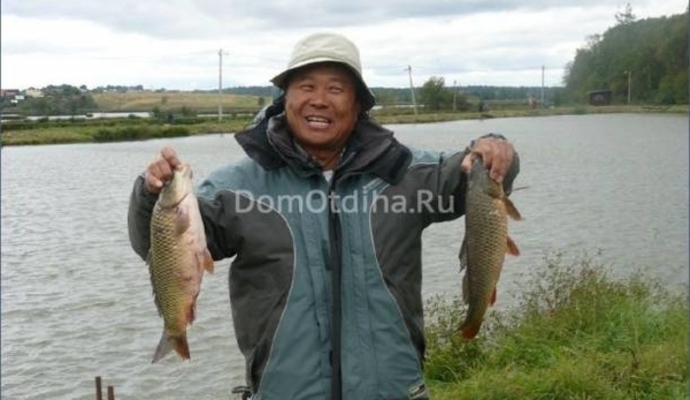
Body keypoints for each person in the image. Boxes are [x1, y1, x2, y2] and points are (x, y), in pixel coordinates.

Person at [128, 32, 519, 400]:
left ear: (358, 104)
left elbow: (472, 176)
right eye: (306, 86)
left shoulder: (404, 172)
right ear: (285, 98)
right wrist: (150, 196)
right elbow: (157, 247)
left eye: (335, 88)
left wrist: (495, 149)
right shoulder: (235, 189)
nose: (319, 100)